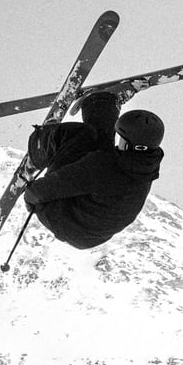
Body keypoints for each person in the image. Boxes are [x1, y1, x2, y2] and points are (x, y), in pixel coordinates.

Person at [22, 90, 164, 250]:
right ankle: (101, 101)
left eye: (122, 139)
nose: (119, 142)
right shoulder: (145, 167)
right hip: (89, 233)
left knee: (82, 136)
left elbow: (53, 186)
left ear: (129, 145)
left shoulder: (103, 168)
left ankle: (38, 150)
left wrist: (31, 195)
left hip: (62, 218)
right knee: (101, 144)